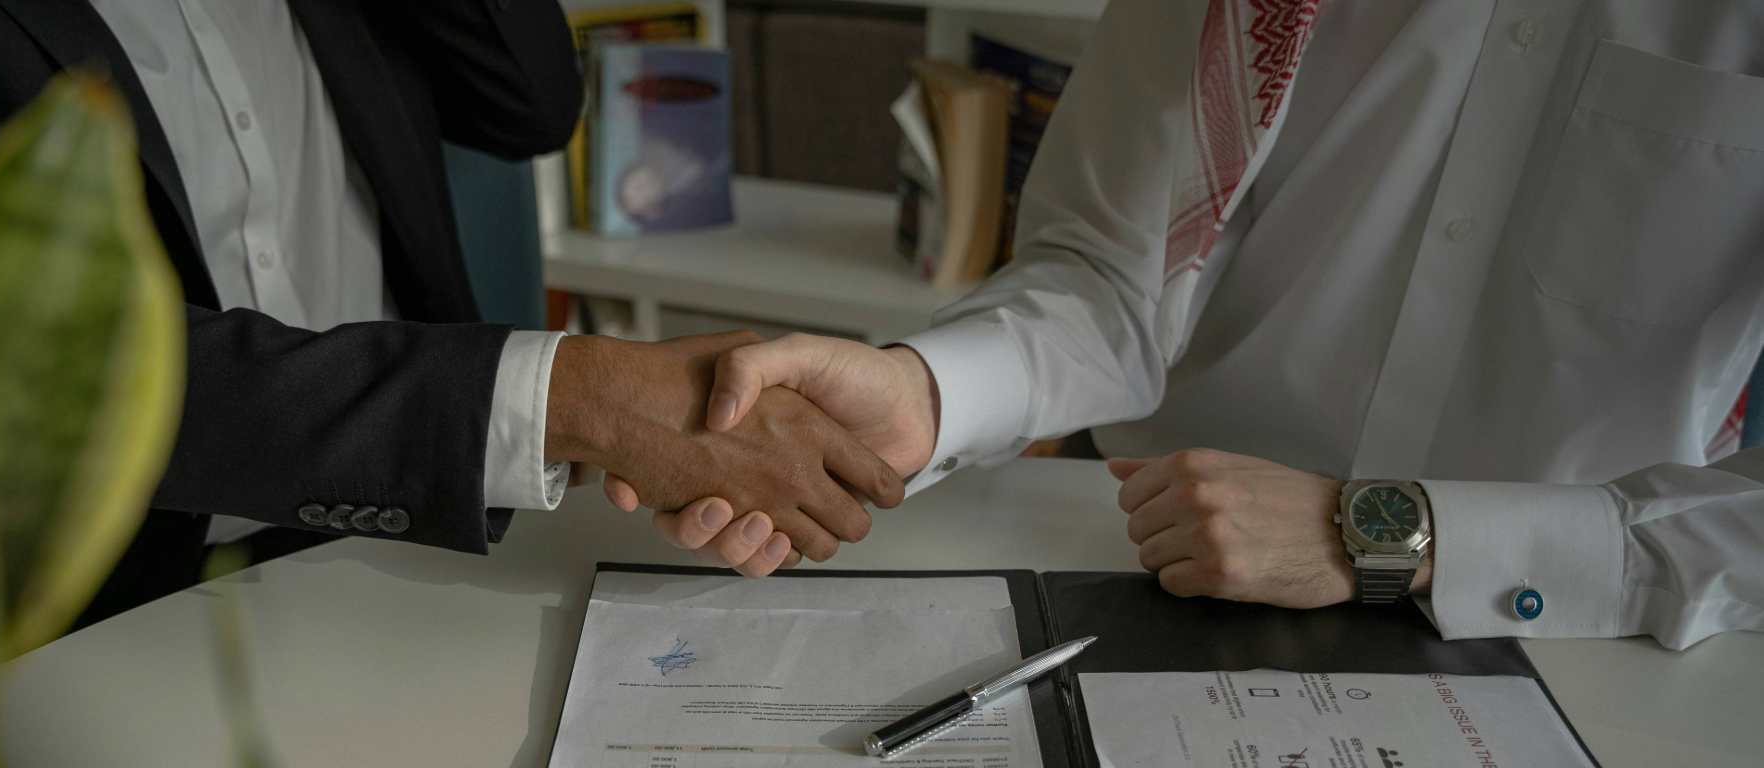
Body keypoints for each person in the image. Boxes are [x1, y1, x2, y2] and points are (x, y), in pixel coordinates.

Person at [625, 0, 1764, 649]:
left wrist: (1393, 539)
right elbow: (1108, 272)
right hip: (1155, 562)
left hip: (1597, 633)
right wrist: (925, 393)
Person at [0, 0, 896, 624]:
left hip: (430, 537)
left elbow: (531, 100)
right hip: (107, 607)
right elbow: (48, 365)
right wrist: (579, 399)